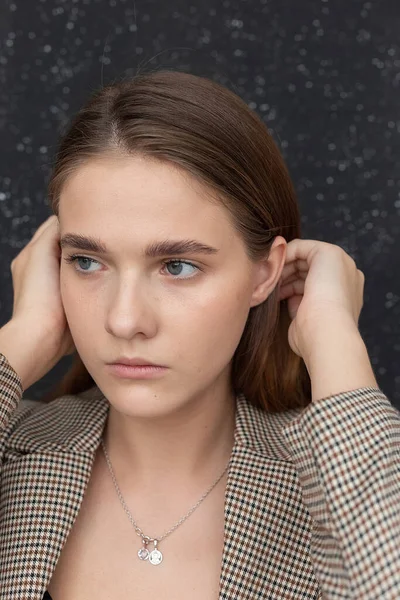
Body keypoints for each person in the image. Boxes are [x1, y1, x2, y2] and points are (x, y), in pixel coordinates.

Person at [0, 69, 398, 600]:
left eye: (179, 266)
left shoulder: (339, 479)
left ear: (265, 273)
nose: (124, 320)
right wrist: (24, 336)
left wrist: (334, 344)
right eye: (88, 261)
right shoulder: (14, 454)